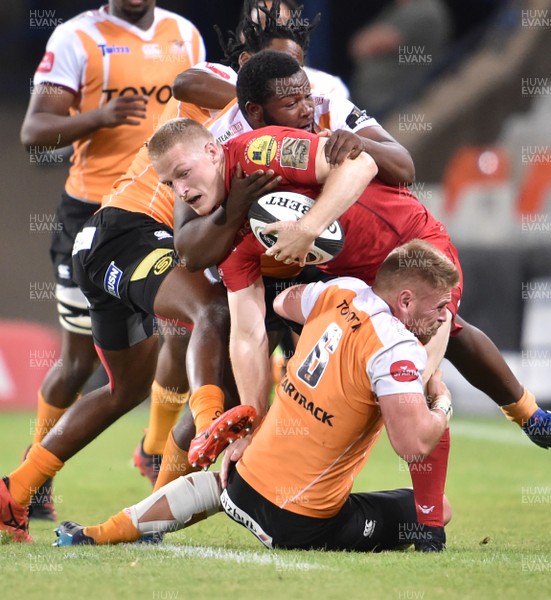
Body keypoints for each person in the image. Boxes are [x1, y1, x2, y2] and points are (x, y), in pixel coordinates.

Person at [53, 240, 456, 553]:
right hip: (300, 523)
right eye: (439, 306)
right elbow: (413, 445)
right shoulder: (396, 347)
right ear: (405, 301)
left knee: (223, 485)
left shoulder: (344, 291)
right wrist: (441, 403)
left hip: (244, 484)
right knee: (438, 510)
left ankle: (103, 531)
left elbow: (284, 302)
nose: (443, 318)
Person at [19, 0, 206, 521]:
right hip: (93, 221)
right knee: (80, 364)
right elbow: (33, 134)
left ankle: (155, 452)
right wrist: (98, 117)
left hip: (162, 221)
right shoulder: (76, 38)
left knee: (184, 331)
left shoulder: (185, 35)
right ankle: (34, 478)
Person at [173, 0, 350, 107]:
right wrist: (258, 101)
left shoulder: (328, 86)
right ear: (244, 35)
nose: (272, 35)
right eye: (261, 25)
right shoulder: (222, 80)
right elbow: (182, 84)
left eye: (280, 25)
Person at [348, 0, 453, 120]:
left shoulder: (424, 11)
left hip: (392, 106)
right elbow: (356, 46)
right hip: (370, 103)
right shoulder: (398, 8)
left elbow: (367, 45)